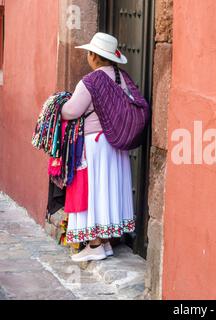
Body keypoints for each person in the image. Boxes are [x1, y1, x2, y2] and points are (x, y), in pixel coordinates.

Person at [61, 33, 135, 262]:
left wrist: (59, 105)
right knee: (109, 189)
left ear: (94, 56)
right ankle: (106, 242)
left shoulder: (90, 81)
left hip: (97, 144)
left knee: (94, 190)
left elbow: (71, 111)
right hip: (118, 145)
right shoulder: (122, 78)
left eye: (89, 53)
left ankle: (95, 244)